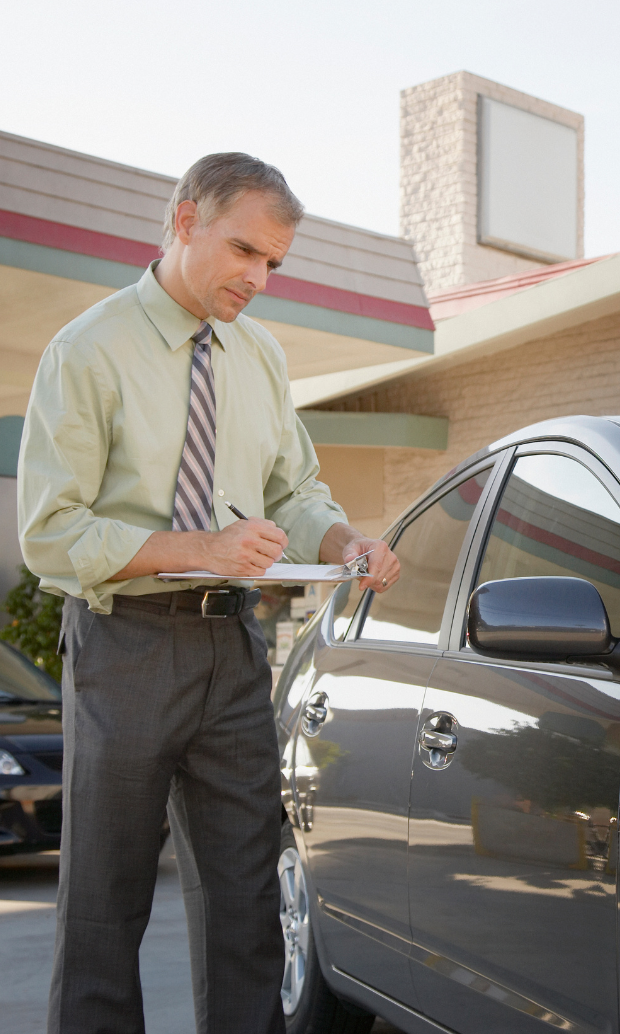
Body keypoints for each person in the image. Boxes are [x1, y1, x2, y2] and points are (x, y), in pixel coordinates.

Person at [18, 153, 401, 1034]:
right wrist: (204, 547)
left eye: (274, 263)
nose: (259, 280)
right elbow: (50, 531)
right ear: (185, 220)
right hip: (125, 649)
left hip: (233, 651)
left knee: (246, 903)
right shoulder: (88, 350)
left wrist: (345, 540)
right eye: (245, 252)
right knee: (104, 909)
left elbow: (295, 491)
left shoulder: (258, 356)